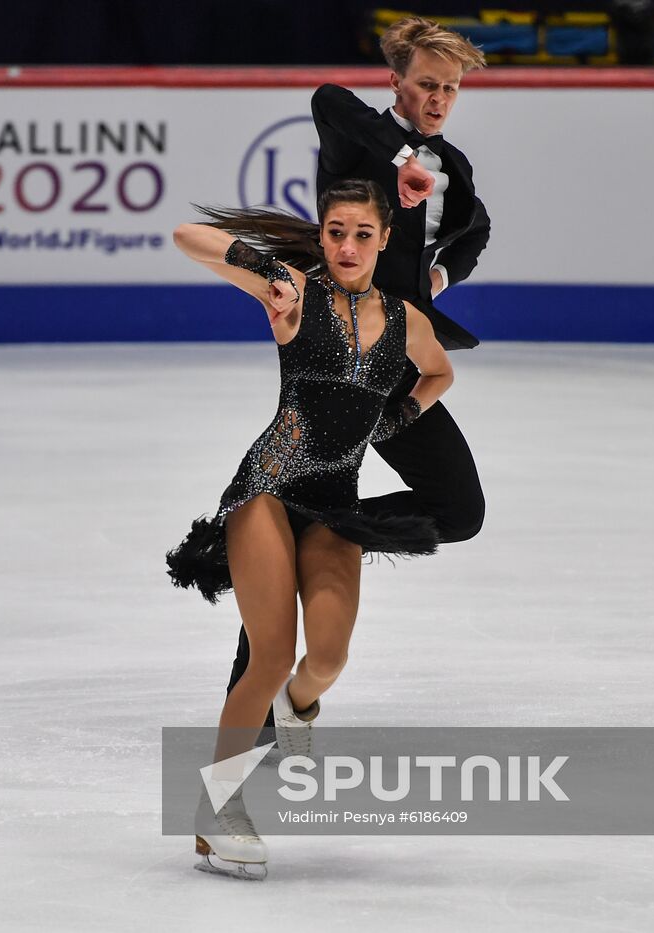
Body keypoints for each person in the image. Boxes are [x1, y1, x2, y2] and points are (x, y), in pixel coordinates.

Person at [166, 179, 454, 879]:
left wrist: (392, 422)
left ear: (386, 238)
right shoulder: (296, 291)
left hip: (334, 501)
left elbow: (438, 373)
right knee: (269, 654)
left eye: (362, 233)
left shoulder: (408, 319)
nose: (348, 246)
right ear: (321, 236)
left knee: (326, 657)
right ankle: (218, 809)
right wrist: (272, 274)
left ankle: (300, 709)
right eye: (335, 231)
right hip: (267, 487)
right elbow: (187, 237)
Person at [225, 16, 490, 730]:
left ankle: (330, 531)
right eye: (427, 84)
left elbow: (476, 222)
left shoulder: (452, 166)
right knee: (288, 502)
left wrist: (441, 270)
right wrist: (400, 156)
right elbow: (326, 96)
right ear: (399, 83)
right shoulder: (357, 136)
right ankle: (256, 706)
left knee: (460, 511)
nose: (438, 99)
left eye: (451, 90)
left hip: (398, 363)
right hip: (335, 358)